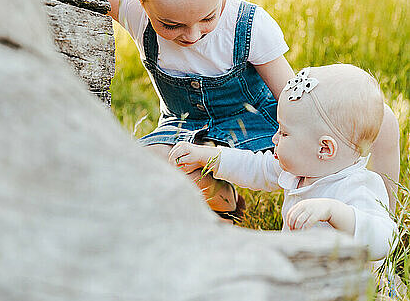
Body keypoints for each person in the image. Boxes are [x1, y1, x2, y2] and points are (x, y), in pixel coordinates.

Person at [6, 0, 400, 218]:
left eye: (207, 19)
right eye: (171, 25)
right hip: (185, 129)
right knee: (140, 171)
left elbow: (292, 100)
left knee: (379, 119)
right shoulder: (130, 7)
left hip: (259, 131)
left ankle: (380, 215)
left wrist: (318, 138)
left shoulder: (249, 25)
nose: (192, 35)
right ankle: (222, 197)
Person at [168, 65, 397, 261]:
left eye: (284, 133)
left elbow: (386, 240)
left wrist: (333, 211)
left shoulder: (358, 186)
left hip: (349, 289)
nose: (274, 138)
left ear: (324, 148)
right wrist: (208, 156)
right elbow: (253, 167)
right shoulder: (301, 170)